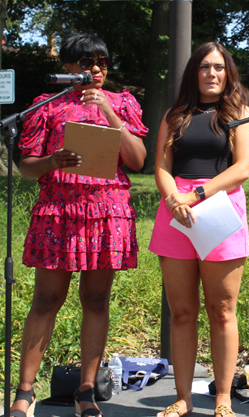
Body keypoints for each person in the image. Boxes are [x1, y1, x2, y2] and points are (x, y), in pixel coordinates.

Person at [11, 33, 148, 417]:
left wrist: (110, 112)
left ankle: (86, 392)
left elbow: (138, 160)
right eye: (87, 63)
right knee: (46, 299)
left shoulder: (123, 102)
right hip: (58, 210)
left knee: (96, 298)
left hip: (106, 211)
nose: (96, 70)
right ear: (69, 67)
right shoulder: (48, 105)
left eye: (102, 63)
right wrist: (53, 161)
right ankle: (25, 391)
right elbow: (26, 167)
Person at [148, 42, 249, 417]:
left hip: (219, 210)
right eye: (204, 67)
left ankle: (223, 398)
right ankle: (183, 398)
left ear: (228, 73)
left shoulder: (240, 112)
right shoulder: (175, 114)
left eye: (219, 67)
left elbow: (243, 168)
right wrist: (173, 199)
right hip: (176, 213)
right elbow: (161, 165)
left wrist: (194, 195)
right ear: (194, 72)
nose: (212, 73)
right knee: (181, 311)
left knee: (222, 309)